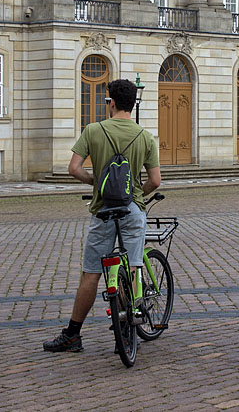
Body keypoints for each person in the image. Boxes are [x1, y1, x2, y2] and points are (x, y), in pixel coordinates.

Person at [44, 79, 161, 353]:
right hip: (132, 210)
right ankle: (128, 323)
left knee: (91, 274)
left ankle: (72, 334)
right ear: (133, 103)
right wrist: (136, 193)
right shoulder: (145, 136)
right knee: (132, 266)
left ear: (111, 102)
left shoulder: (93, 130)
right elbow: (155, 180)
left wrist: (96, 183)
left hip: (103, 210)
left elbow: (73, 168)